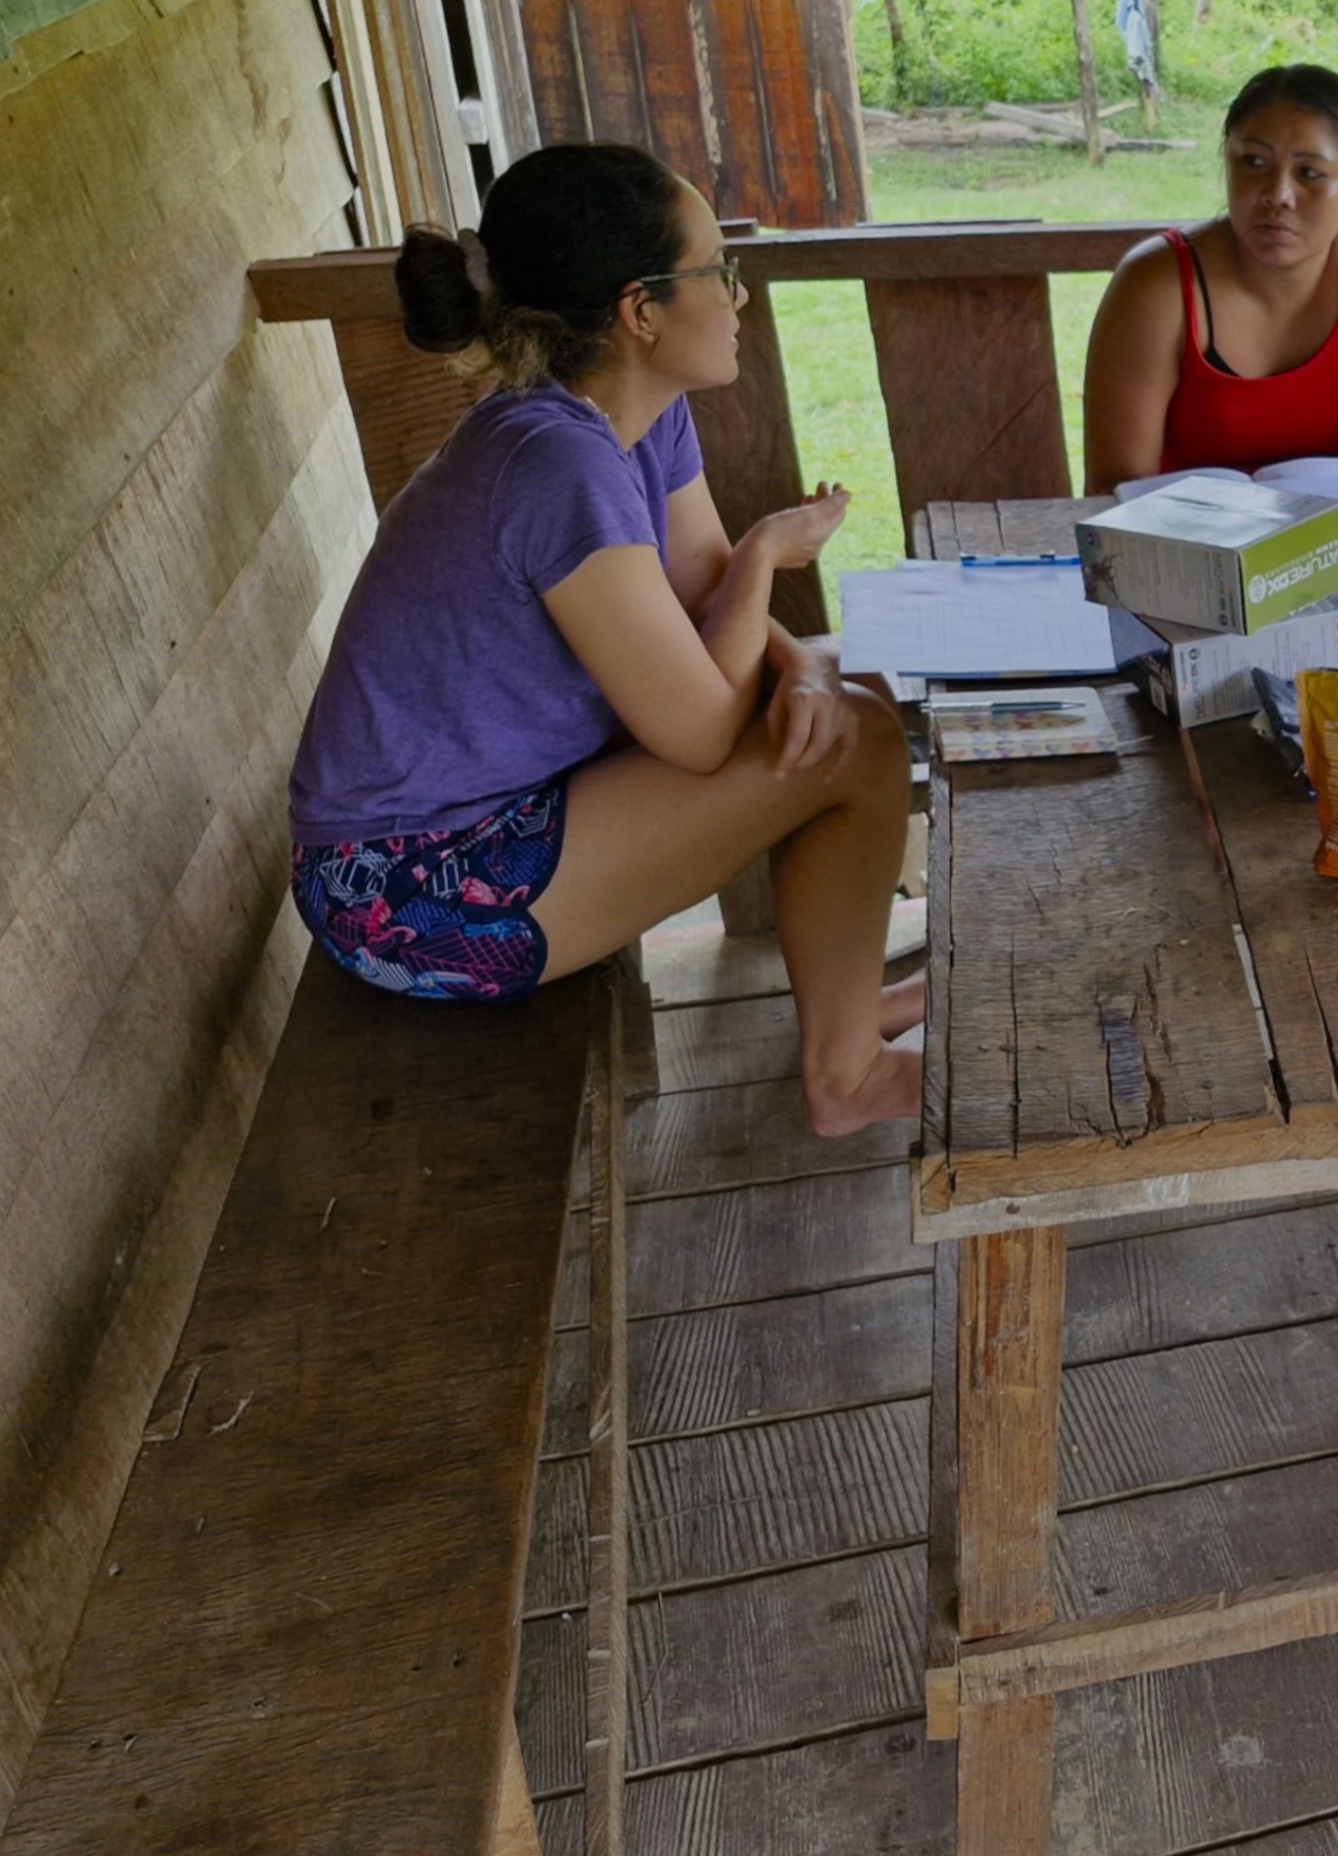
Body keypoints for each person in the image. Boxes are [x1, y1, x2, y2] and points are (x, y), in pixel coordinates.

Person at [287, 142, 919, 1139]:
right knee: (855, 740)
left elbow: (708, 597)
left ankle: (850, 1011)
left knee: (848, 688)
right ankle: (844, 1073)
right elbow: (706, 729)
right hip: (405, 893)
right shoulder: (554, 468)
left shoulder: (634, 413)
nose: (739, 298)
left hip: (500, 812)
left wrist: (797, 665)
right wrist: (767, 555)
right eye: (720, 270)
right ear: (642, 311)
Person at [1081, 64, 1338, 489]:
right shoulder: (1155, 283)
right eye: (1253, 162)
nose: (1278, 194)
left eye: (1310, 173)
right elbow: (1115, 486)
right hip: (1183, 548)